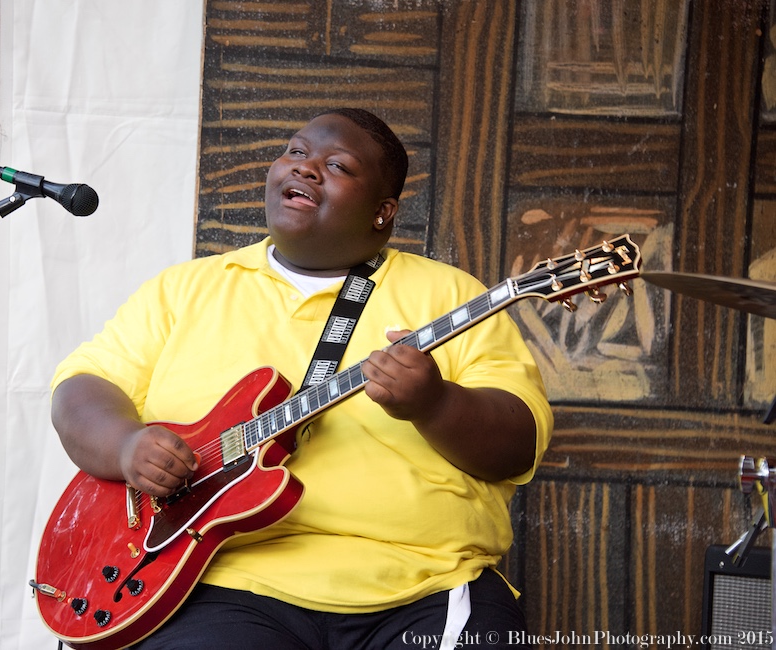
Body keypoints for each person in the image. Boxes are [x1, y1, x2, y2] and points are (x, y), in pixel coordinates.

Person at [50, 108, 554, 649]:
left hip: (424, 586)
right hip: (215, 581)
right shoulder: (187, 289)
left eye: (336, 165)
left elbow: (516, 446)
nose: (306, 168)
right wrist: (126, 446)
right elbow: (82, 388)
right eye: (295, 152)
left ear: (383, 212)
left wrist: (433, 403)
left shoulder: (453, 297)